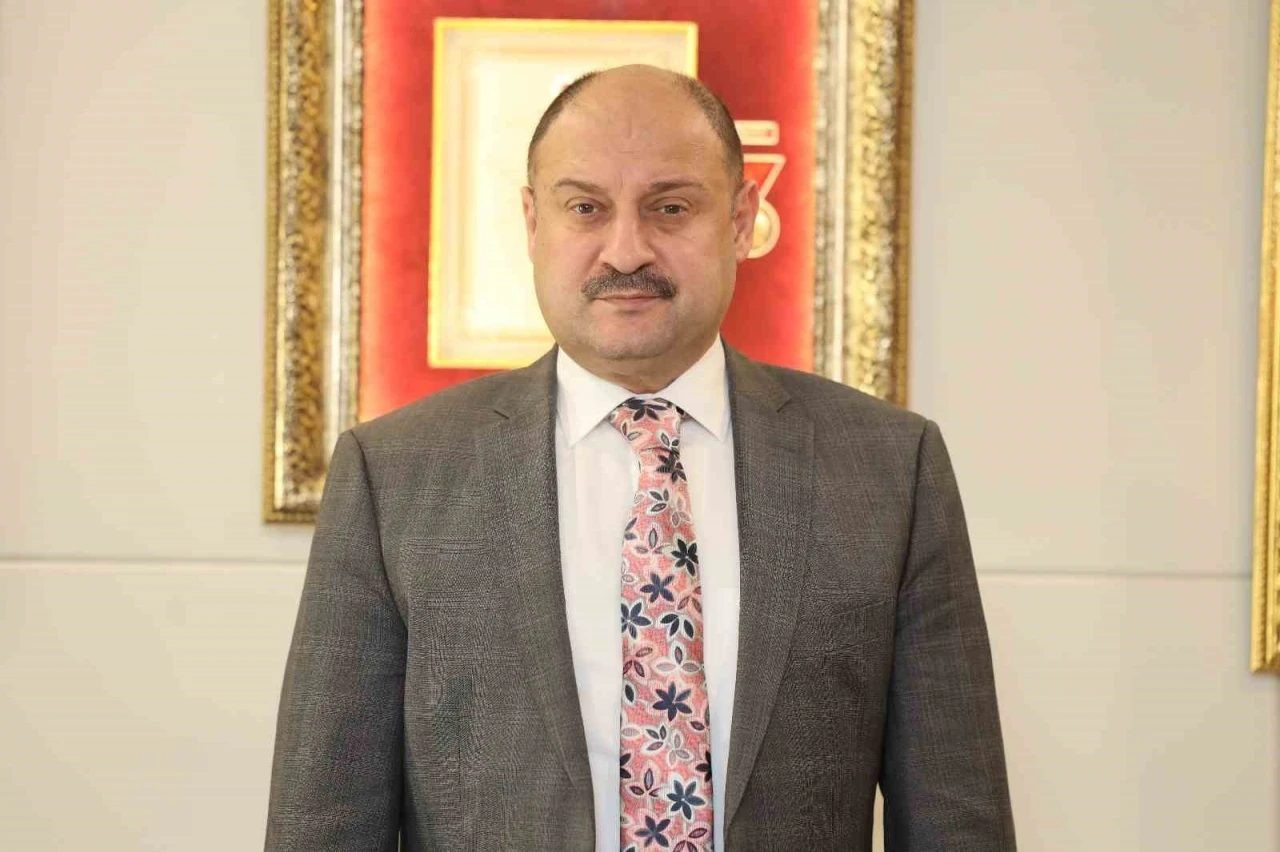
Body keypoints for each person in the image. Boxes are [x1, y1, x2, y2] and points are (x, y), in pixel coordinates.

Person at [265, 64, 1016, 852]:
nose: (625, 249)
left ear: (741, 219)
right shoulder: (394, 476)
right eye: (585, 207)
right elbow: (323, 825)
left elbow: (958, 823)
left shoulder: (891, 470)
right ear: (533, 224)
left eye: (671, 207)